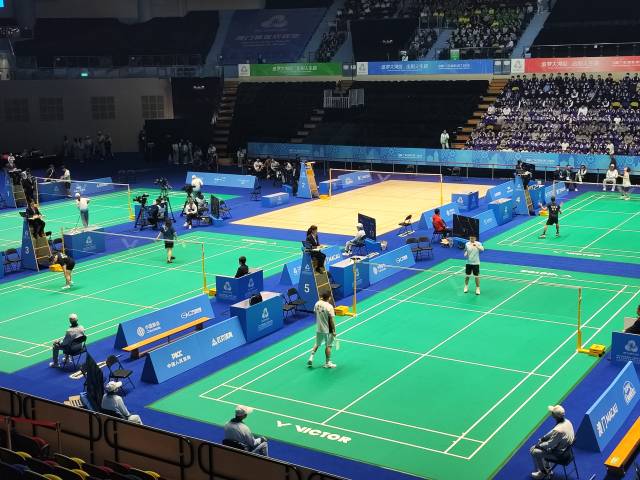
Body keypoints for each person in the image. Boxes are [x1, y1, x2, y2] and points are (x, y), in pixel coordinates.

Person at [530, 405, 574, 479]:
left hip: (561, 455)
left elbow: (549, 444)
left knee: (534, 451)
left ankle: (543, 473)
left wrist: (539, 445)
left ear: (555, 416)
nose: (551, 414)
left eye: (552, 413)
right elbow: (553, 431)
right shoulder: (567, 422)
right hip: (567, 450)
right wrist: (544, 438)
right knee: (545, 447)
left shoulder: (558, 431)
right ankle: (548, 468)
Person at [308, 291, 337, 369]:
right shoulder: (329, 307)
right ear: (329, 297)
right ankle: (327, 363)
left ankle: (311, 357)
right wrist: (334, 331)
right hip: (327, 329)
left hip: (319, 328)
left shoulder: (317, 303)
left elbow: (316, 313)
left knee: (317, 343)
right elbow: (331, 320)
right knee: (328, 346)